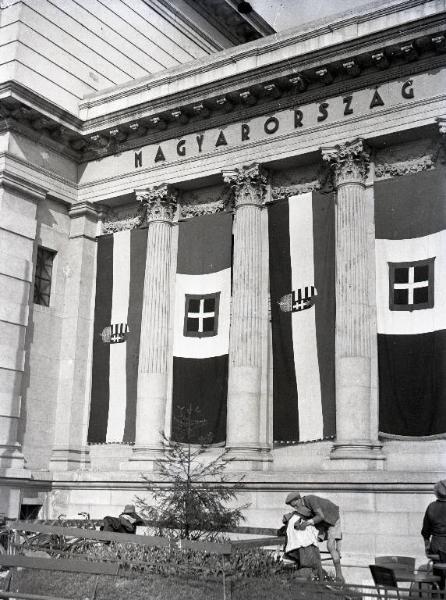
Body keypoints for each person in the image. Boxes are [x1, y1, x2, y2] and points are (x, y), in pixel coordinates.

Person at [285, 491, 344, 582]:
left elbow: (320, 516)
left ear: (298, 500)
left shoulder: (311, 500)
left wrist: (307, 523)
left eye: (295, 506)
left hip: (332, 519)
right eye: (294, 507)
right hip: (321, 522)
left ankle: (339, 577)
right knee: (311, 540)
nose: (296, 508)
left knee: (330, 546)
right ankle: (314, 570)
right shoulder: (303, 505)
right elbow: (306, 516)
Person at [280, 503, 324, 580]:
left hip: (298, 546)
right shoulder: (298, 519)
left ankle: (319, 581)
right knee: (310, 567)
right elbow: (300, 529)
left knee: (312, 567)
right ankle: (289, 578)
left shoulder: (293, 517)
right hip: (304, 546)